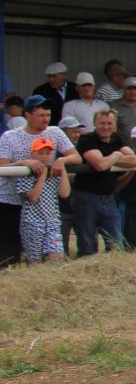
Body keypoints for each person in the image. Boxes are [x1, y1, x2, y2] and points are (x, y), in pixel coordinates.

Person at [0, 96, 80, 267]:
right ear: (28, 115)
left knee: (52, 254)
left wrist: (61, 161)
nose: (46, 119)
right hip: (12, 199)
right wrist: (23, 163)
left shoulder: (55, 132)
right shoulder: (10, 136)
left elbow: (76, 156)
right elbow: (3, 167)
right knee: (9, 252)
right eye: (41, 115)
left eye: (48, 115)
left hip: (44, 204)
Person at [73, 107, 136, 255]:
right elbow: (100, 165)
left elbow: (134, 161)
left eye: (109, 123)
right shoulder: (87, 140)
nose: (106, 127)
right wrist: (116, 155)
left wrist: (110, 159)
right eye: (102, 123)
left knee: (116, 244)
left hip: (109, 197)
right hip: (86, 197)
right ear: (95, 124)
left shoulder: (117, 138)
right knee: (87, 244)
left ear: (114, 125)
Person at [18, 136, 70, 263]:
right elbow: (32, 197)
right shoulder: (26, 173)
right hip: (32, 222)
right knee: (35, 260)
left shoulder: (54, 171)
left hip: (52, 221)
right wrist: (42, 176)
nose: (44, 156)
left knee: (56, 257)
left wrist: (62, 171)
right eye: (40, 153)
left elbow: (64, 193)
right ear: (32, 154)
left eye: (47, 153)